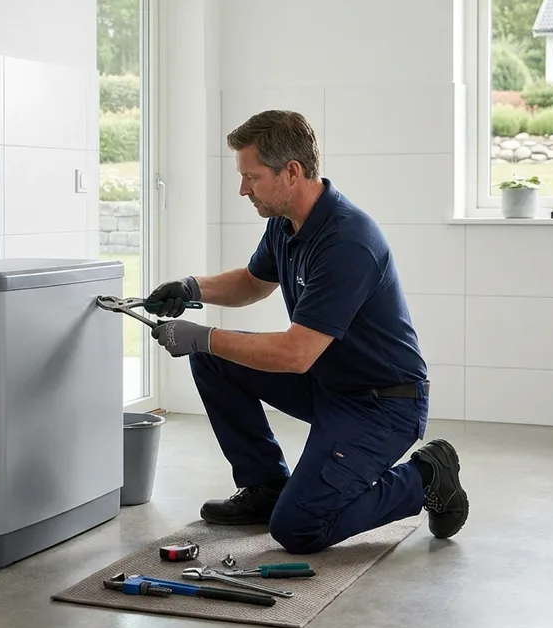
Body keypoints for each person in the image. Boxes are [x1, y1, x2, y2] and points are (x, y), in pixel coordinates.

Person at [145, 110, 467, 554]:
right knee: (214, 360)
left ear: (291, 172)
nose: (243, 189)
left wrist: (201, 335)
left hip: (381, 405)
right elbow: (254, 283)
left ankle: (427, 476)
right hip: (326, 383)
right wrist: (192, 288)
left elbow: (295, 354)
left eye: (251, 177)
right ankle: (267, 487)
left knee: (300, 528)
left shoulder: (347, 242)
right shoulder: (286, 222)